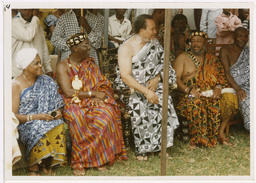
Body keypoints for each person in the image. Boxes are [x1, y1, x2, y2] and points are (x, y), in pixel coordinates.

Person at [56, 33, 128, 176]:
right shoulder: (62, 65)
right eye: (85, 45)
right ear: (75, 48)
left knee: (106, 114)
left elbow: (101, 84)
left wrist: (98, 96)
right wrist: (91, 94)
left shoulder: (91, 62)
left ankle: (99, 159)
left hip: (92, 98)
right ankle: (80, 161)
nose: (89, 47)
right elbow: (69, 92)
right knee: (78, 117)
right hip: (73, 101)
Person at [116, 14, 179, 160]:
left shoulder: (155, 43)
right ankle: (143, 149)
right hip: (134, 88)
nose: (155, 32)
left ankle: (162, 147)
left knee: (165, 101)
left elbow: (165, 65)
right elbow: (125, 76)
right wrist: (145, 92)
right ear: (141, 30)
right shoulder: (126, 47)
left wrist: (158, 78)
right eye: (152, 29)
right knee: (140, 107)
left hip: (155, 85)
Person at [12, 48, 67, 175]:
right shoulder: (16, 84)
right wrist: (36, 117)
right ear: (25, 66)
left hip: (47, 117)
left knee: (58, 125)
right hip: (27, 122)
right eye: (36, 63)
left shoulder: (46, 81)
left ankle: (48, 163)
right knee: (39, 127)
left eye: (40, 62)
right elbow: (13, 116)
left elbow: (58, 103)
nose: (40, 65)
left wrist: (58, 112)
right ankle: (34, 165)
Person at [174, 31, 227, 148]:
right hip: (186, 95)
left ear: (205, 44)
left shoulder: (213, 59)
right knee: (195, 103)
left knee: (215, 103)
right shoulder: (182, 57)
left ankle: (212, 137)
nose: (195, 44)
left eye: (199, 41)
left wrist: (218, 88)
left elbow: (221, 78)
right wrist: (188, 90)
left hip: (209, 93)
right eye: (193, 41)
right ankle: (199, 139)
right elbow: (175, 79)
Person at [219, 27, 250, 131]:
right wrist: (238, 89)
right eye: (240, 36)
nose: (243, 39)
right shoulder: (226, 50)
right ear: (234, 37)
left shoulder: (249, 51)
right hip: (237, 87)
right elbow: (226, 73)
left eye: (245, 36)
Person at [12, 9, 53, 78]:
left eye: (31, 9)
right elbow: (28, 36)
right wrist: (35, 17)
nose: (30, 12)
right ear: (20, 10)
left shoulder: (36, 25)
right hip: (20, 75)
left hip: (37, 74)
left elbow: (43, 47)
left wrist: (48, 68)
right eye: (25, 9)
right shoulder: (14, 23)